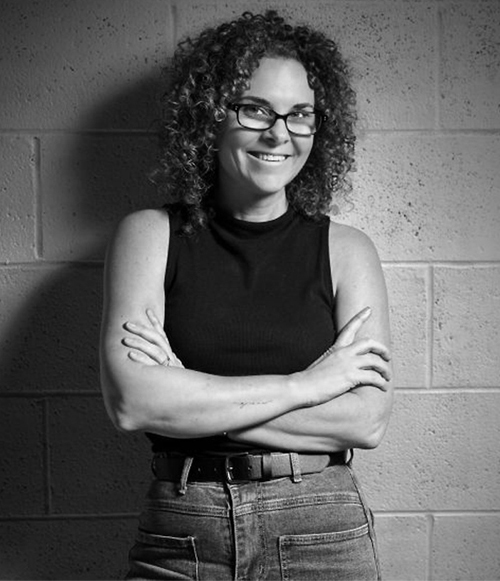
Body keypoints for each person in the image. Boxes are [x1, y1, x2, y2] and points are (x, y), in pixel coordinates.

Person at [100, 10, 393, 580]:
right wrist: (306, 387)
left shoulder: (348, 250)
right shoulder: (149, 236)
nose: (280, 133)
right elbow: (133, 403)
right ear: (209, 116)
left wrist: (189, 398)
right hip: (184, 526)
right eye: (256, 109)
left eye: (300, 114)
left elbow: (365, 422)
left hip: (319, 524)